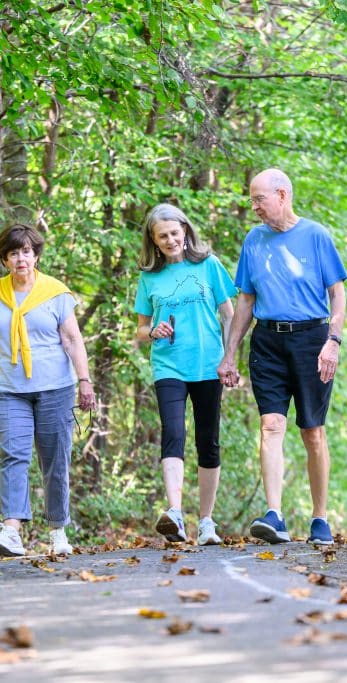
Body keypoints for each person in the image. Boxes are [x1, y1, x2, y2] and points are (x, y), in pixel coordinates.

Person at [217, 168, 347, 545]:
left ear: (282, 195)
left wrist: (333, 341)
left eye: (259, 198)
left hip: (312, 340)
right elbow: (245, 300)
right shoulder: (253, 241)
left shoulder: (316, 235)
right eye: (253, 199)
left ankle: (319, 518)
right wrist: (230, 355)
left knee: (312, 432)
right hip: (268, 342)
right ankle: (275, 515)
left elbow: (337, 293)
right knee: (271, 425)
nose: (254, 206)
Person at [0, 224, 96, 557]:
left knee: (55, 460)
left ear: (35, 255)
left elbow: (72, 339)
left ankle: (58, 530)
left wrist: (84, 380)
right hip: (9, 390)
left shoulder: (55, 292)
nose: (21, 258)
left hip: (56, 388)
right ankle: (11, 531)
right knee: (14, 455)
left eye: (26, 251)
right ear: (4, 259)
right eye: (13, 252)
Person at [135, 203, 237, 546]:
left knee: (208, 441)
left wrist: (230, 360)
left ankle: (207, 521)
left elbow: (229, 315)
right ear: (153, 239)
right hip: (169, 365)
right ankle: (176, 514)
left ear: (185, 231)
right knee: (173, 433)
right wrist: (152, 332)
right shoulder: (148, 277)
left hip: (209, 363)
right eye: (162, 235)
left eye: (175, 233)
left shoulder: (209, 265)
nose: (170, 240)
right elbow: (140, 329)